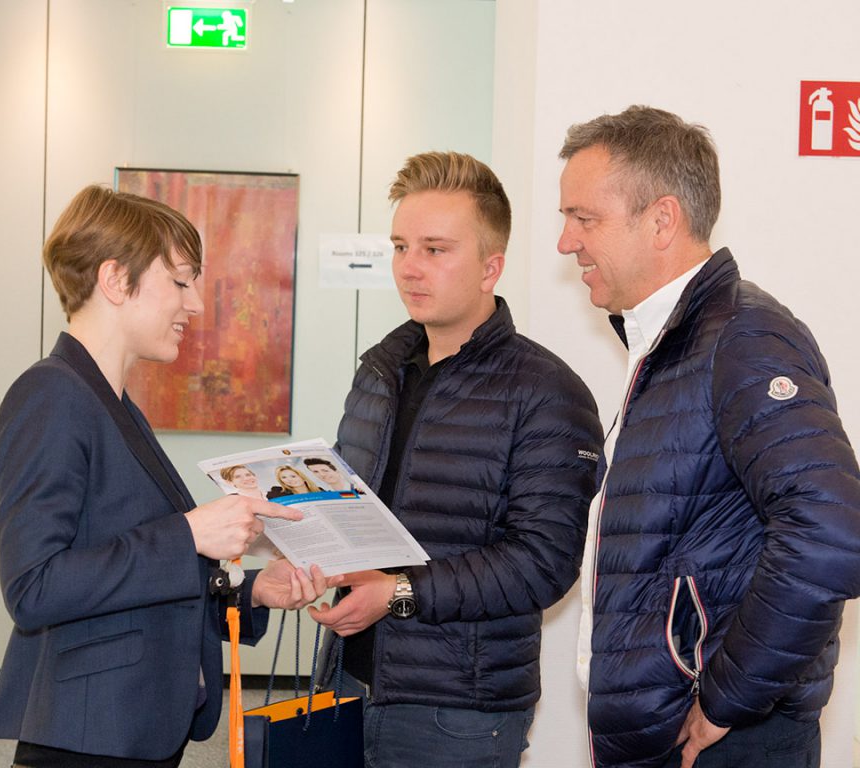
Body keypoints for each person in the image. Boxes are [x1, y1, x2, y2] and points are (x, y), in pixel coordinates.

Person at [0, 185, 337, 767]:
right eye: (179, 282)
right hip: (87, 739)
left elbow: (132, 571)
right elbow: (34, 587)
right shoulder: (50, 396)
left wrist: (252, 590)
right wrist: (190, 533)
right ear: (115, 280)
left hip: (127, 728)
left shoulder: (110, 402)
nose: (194, 304)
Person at [556, 105, 860, 768]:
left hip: (728, 742)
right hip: (674, 735)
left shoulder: (743, 339)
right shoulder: (675, 344)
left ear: (662, 220)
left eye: (585, 218)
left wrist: (728, 698)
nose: (565, 242)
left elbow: (833, 530)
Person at [308, 151, 604, 768]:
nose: (409, 267)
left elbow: (545, 562)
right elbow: (348, 507)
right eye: (400, 246)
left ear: (490, 267)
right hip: (347, 681)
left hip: (458, 712)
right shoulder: (380, 371)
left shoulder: (546, 391)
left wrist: (398, 593)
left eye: (435, 249)